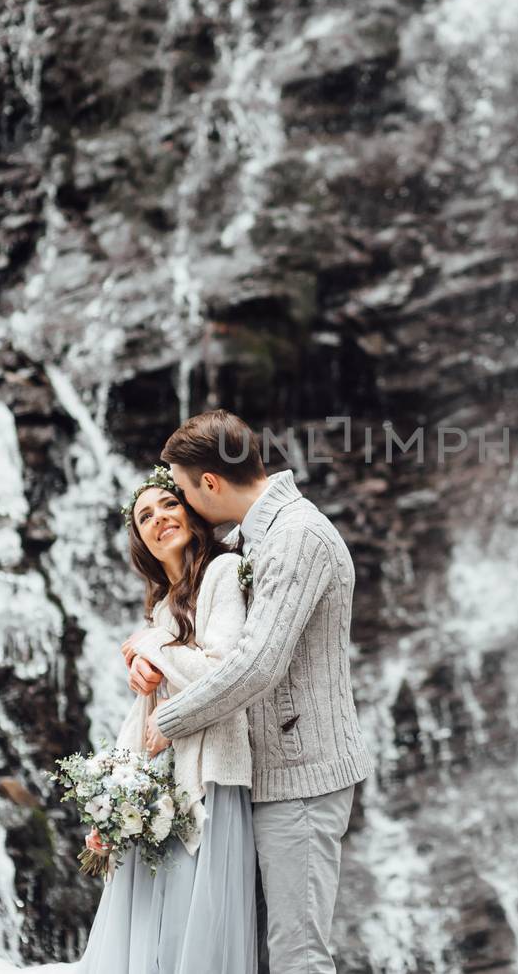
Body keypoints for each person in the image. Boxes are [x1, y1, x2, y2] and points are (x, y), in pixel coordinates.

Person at [147, 409, 373, 974]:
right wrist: (146, 645)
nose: (179, 503)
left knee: (297, 958)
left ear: (210, 484)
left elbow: (258, 664)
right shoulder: (247, 535)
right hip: (255, 777)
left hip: (300, 776)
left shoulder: (299, 536)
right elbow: (202, 628)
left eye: (179, 490)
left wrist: (170, 719)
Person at [75, 467, 257, 974]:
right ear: (143, 545)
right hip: (160, 781)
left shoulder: (222, 573)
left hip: (209, 775)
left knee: (189, 923)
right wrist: (110, 798)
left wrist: (150, 646)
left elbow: (223, 671)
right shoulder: (160, 607)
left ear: (192, 512)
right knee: (152, 926)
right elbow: (147, 713)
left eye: (168, 505)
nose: (160, 519)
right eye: (145, 517)